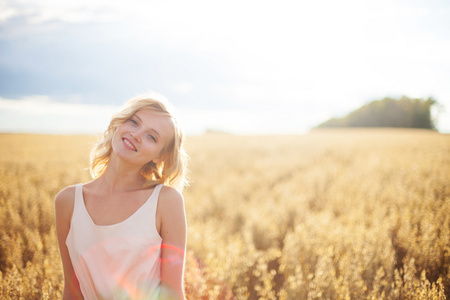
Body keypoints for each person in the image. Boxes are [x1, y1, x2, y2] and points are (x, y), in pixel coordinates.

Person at [55, 93, 189, 300]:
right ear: (120, 123)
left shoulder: (165, 202)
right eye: (134, 122)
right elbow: (72, 292)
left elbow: (172, 294)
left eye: (151, 136)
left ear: (160, 156)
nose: (136, 134)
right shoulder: (68, 201)